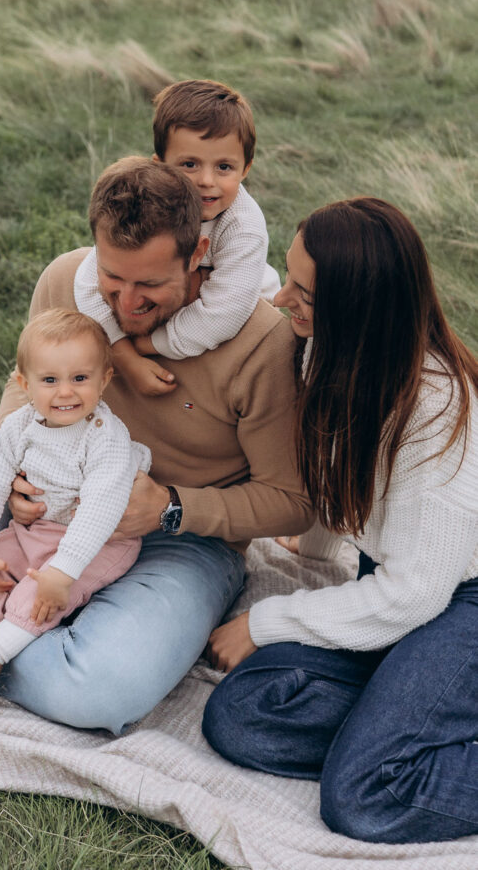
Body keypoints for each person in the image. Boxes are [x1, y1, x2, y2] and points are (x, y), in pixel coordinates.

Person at [0, 156, 312, 734]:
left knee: (100, 689)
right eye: (113, 279)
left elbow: (291, 499)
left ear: (198, 257)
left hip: (183, 540)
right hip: (43, 509)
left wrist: (170, 506)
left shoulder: (263, 340)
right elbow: (22, 392)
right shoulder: (67, 281)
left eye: (150, 285)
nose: (126, 305)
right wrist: (18, 481)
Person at [202, 197, 478, 844]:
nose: (282, 300)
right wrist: (318, 537)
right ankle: (409, 722)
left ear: (359, 309)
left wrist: (267, 622)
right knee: (242, 715)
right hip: (410, 588)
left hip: (458, 600)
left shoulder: (436, 418)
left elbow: (414, 592)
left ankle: (402, 737)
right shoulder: (330, 351)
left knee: (364, 795)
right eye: (289, 277)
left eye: (304, 291)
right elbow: (343, 468)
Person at [0, 309, 150, 710]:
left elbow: (100, 509)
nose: (65, 393)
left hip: (98, 544)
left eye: (80, 378)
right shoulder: (20, 425)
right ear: (25, 384)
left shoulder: (105, 437)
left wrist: (63, 570)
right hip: (37, 532)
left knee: (36, 594)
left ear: (104, 379)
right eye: (49, 380)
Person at [74, 79, 280, 395]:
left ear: (246, 168)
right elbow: (88, 283)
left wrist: (145, 345)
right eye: (189, 164)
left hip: (239, 317)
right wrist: (122, 354)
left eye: (224, 167)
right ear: (160, 165)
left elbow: (224, 315)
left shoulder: (244, 227)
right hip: (175, 309)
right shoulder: (148, 206)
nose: (206, 181)